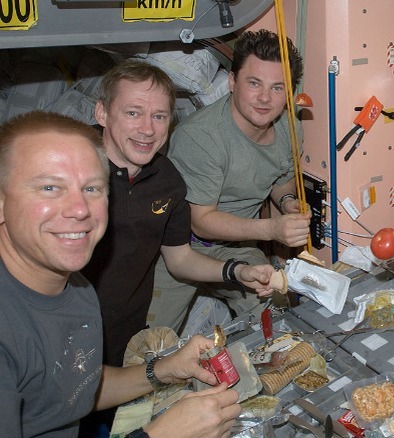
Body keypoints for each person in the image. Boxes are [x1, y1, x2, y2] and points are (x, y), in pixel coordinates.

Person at [0, 110, 241, 437]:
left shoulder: (78, 289)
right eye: (49, 187)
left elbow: (74, 387)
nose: (80, 209)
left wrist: (164, 370)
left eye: (91, 189)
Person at [80, 60, 281, 370]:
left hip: (126, 330)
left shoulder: (167, 181)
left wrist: (237, 271)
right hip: (72, 328)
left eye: (159, 116)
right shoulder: (71, 169)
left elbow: (180, 259)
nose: (147, 129)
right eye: (133, 113)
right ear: (102, 113)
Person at [148, 29, 311, 333]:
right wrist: (272, 229)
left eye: (278, 88)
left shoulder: (291, 128)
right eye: (254, 83)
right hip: (180, 250)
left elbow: (280, 180)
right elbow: (201, 221)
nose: (265, 98)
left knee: (281, 324)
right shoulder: (201, 137)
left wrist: (289, 204)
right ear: (233, 82)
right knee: (150, 350)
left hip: (237, 247)